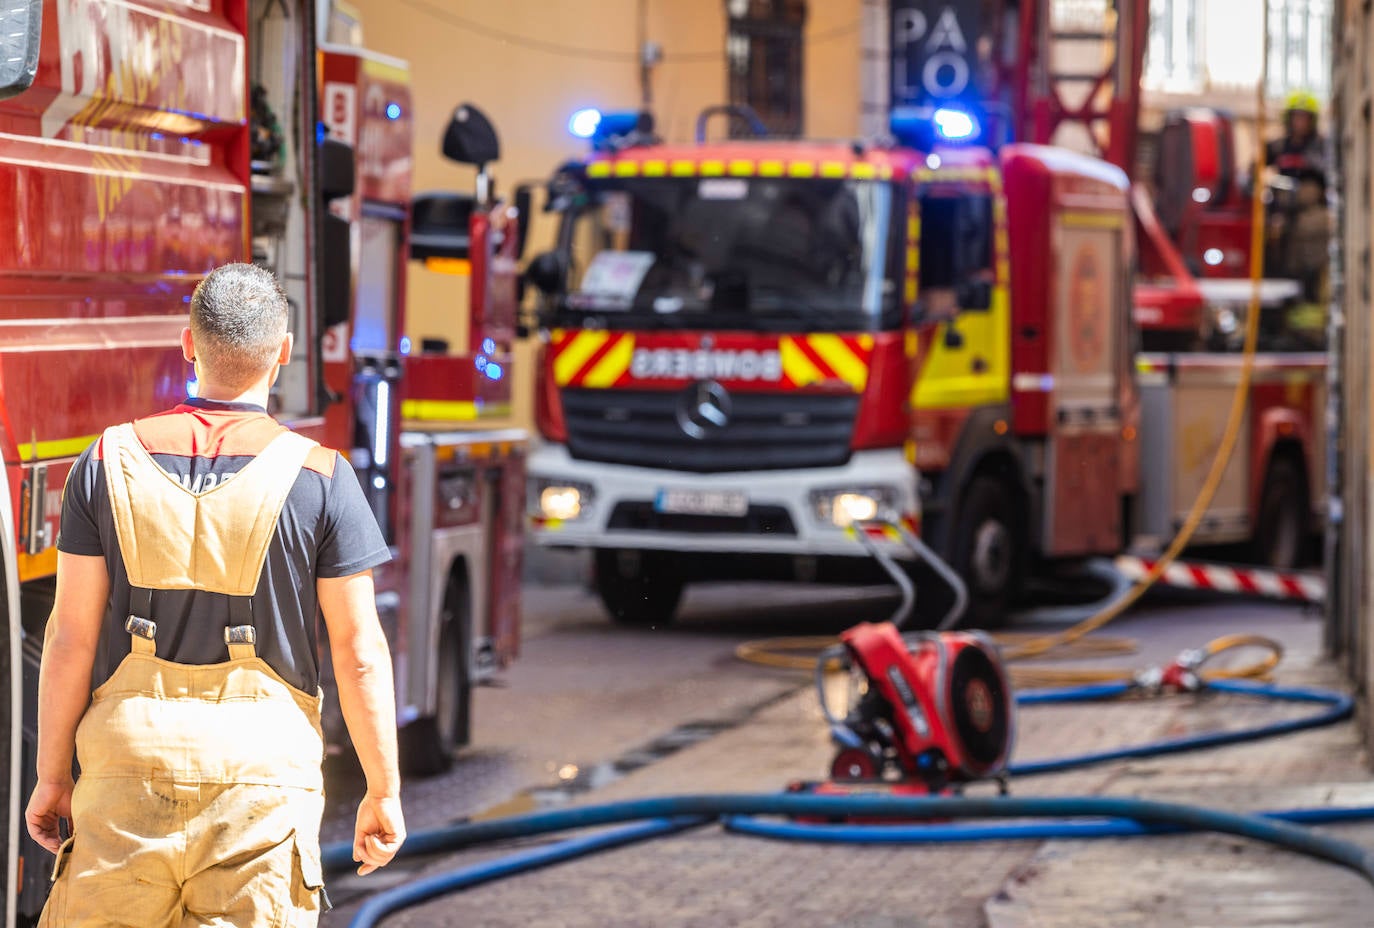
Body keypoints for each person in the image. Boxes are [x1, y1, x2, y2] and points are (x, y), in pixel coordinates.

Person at [24, 262, 405, 926]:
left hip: (124, 776)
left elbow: (69, 639)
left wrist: (53, 777)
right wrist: (384, 789)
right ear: (283, 353)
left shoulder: (106, 461)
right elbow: (360, 653)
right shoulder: (322, 477)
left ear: (187, 344)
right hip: (260, 784)